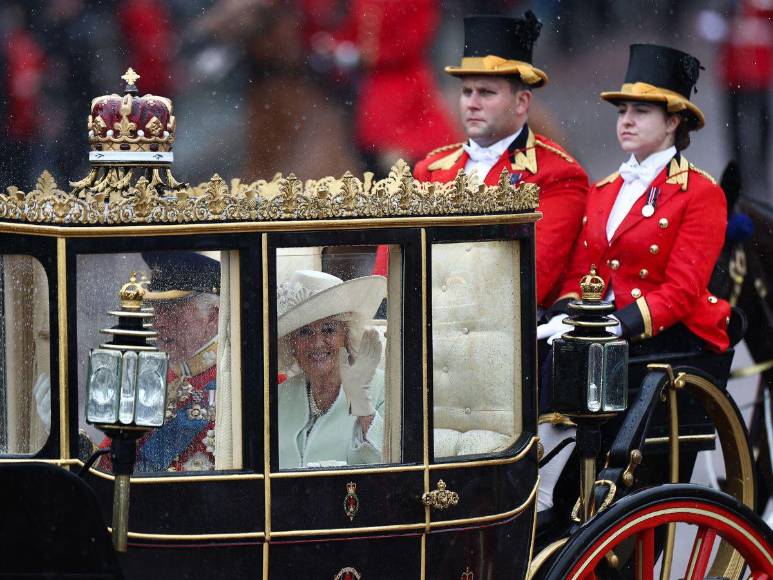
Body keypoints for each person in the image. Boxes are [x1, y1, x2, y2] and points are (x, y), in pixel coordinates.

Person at [535, 44, 731, 512]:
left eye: (640, 112)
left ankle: (545, 488)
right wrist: (565, 314)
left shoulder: (700, 193)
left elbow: (682, 291)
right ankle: (532, 468)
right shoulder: (604, 190)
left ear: (673, 122)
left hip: (667, 333)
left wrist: (615, 323)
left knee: (572, 358)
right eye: (622, 111)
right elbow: (582, 273)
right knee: (536, 345)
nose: (625, 121)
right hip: (609, 326)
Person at [413, 12, 589, 310]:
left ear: (521, 103)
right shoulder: (428, 169)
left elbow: (529, 279)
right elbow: (393, 266)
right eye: (466, 91)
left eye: (486, 92)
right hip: (423, 319)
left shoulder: (558, 174)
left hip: (504, 326)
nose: (471, 103)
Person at [276, 270, 386, 469]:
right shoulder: (280, 396)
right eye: (305, 332)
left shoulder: (383, 388)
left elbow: (392, 463)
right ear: (292, 342)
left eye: (328, 329)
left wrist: (362, 403)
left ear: (346, 334)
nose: (317, 343)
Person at [134, 251, 221, 472]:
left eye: (172, 311)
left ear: (213, 316)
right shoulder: (153, 379)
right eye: (156, 310)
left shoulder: (240, 381)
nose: (159, 322)